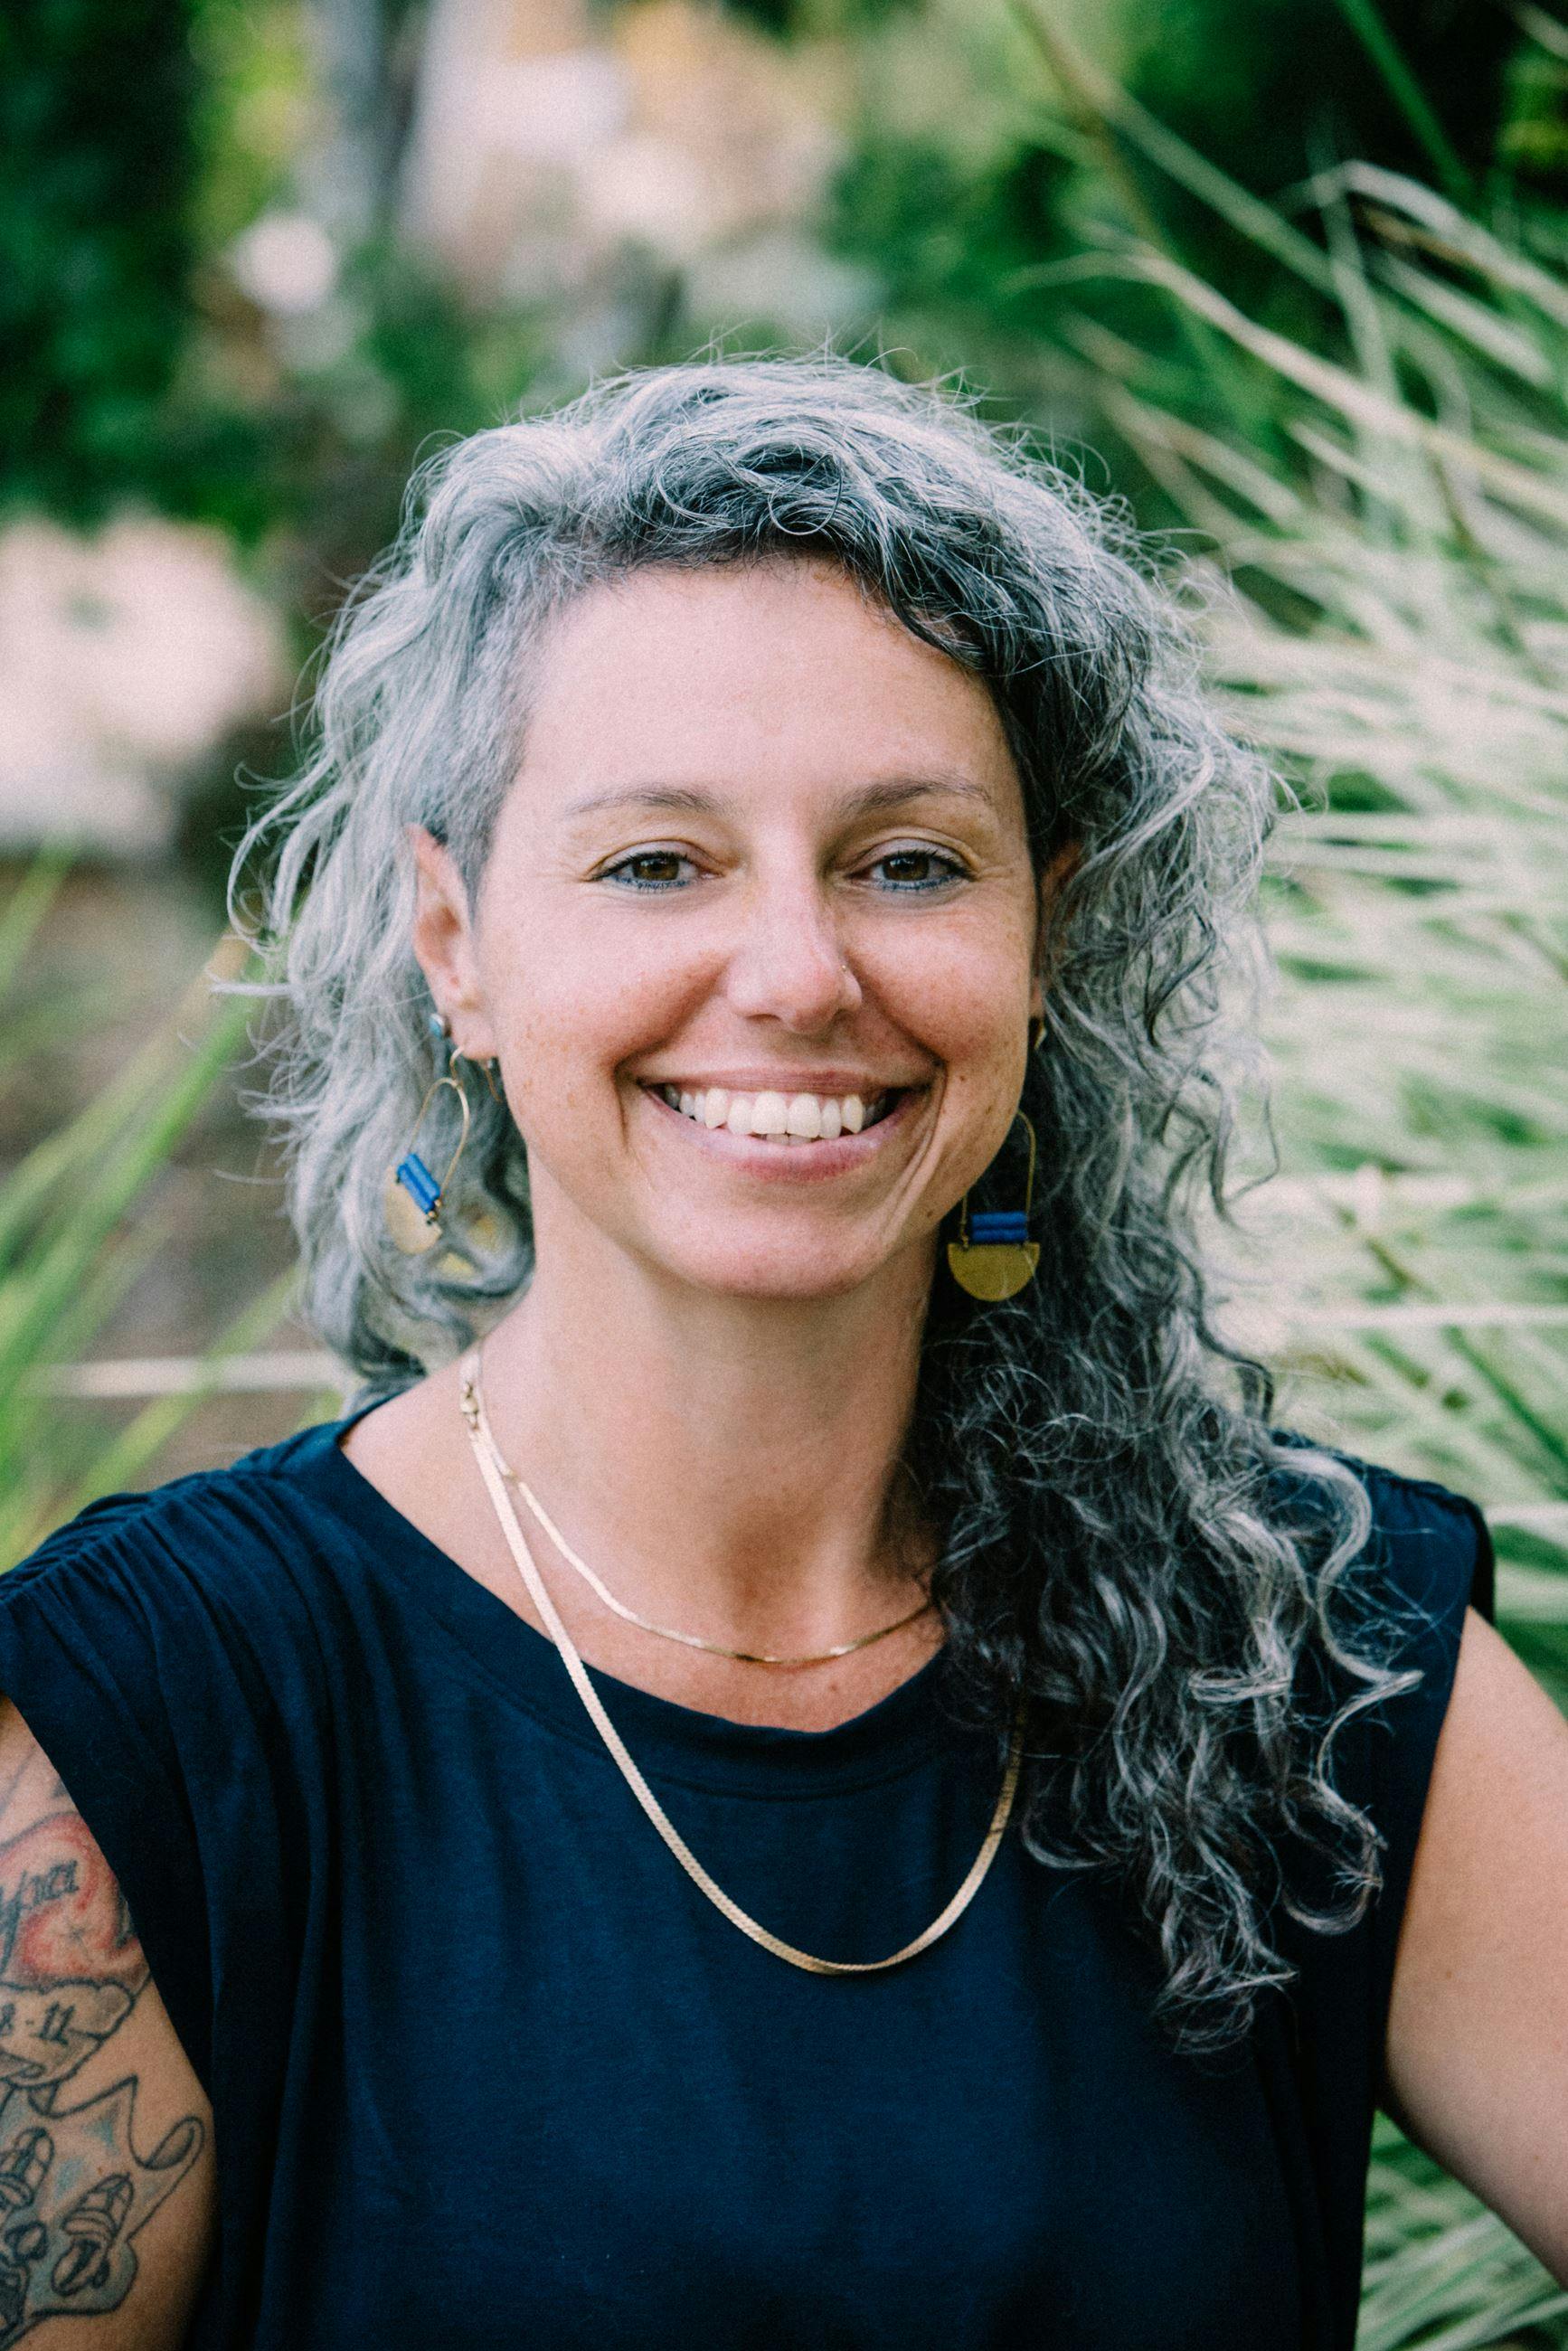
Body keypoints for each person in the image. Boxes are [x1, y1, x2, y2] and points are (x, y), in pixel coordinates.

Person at [0, 354, 1563, 2351]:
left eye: (910, 860)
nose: (799, 975)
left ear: (1042, 934)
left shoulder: (1307, 1651)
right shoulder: (158, 1725)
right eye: (659, 860)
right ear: (458, 939)